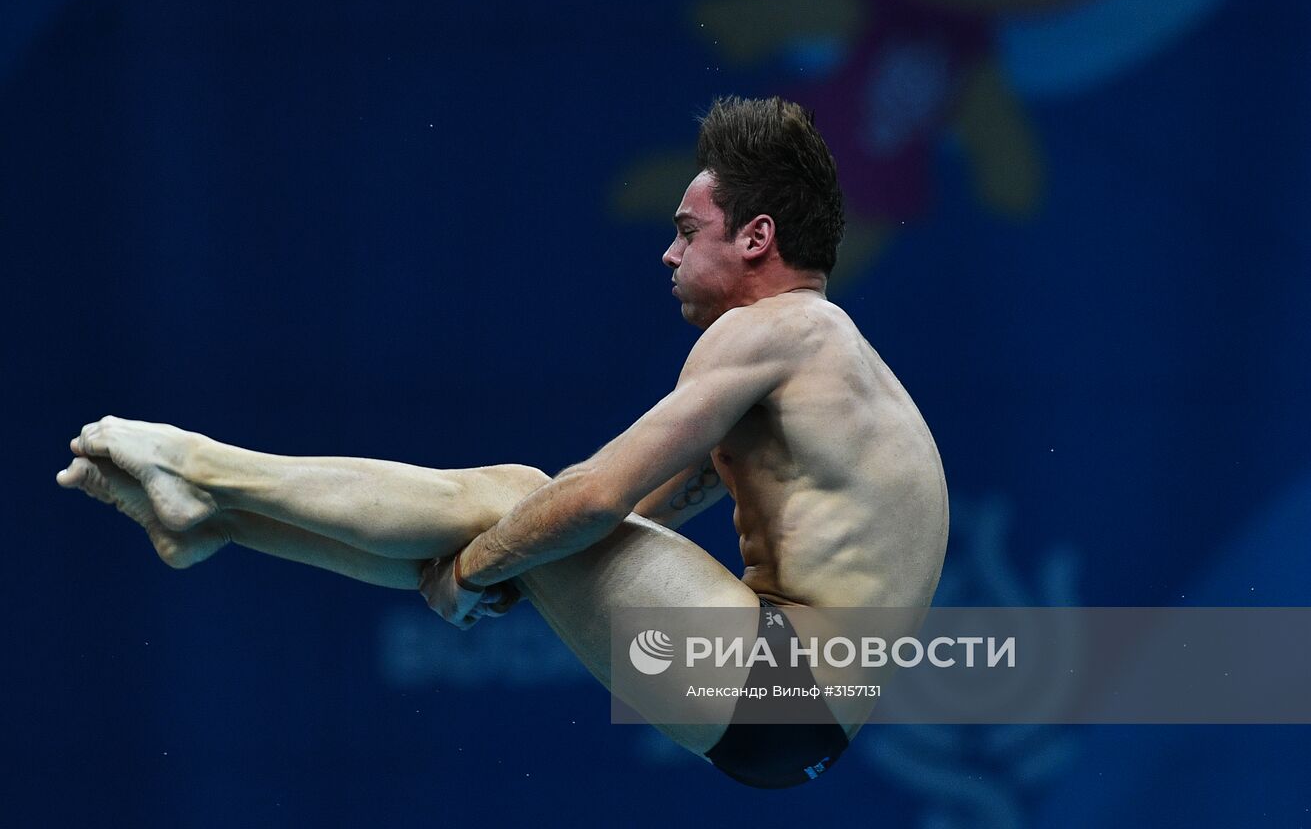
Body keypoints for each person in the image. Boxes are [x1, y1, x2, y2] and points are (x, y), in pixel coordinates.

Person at [56, 95, 948, 789]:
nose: (667, 257)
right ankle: (216, 521)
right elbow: (677, 495)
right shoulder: (832, 355)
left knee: (521, 493)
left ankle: (198, 464)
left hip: (771, 685)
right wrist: (512, 562)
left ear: (757, 237)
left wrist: (478, 568)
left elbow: (596, 497)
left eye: (686, 232)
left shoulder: (769, 332)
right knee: (527, 521)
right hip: (798, 724)